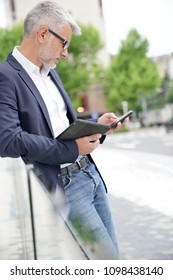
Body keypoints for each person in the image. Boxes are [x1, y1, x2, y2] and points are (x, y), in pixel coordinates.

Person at [0, 1, 128, 259]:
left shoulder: (52, 72)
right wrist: (71, 149)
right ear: (43, 33)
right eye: (64, 44)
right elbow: (7, 140)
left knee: (113, 258)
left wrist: (97, 127)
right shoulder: (6, 76)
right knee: (107, 262)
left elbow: (60, 126)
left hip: (91, 176)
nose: (66, 53)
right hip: (66, 187)